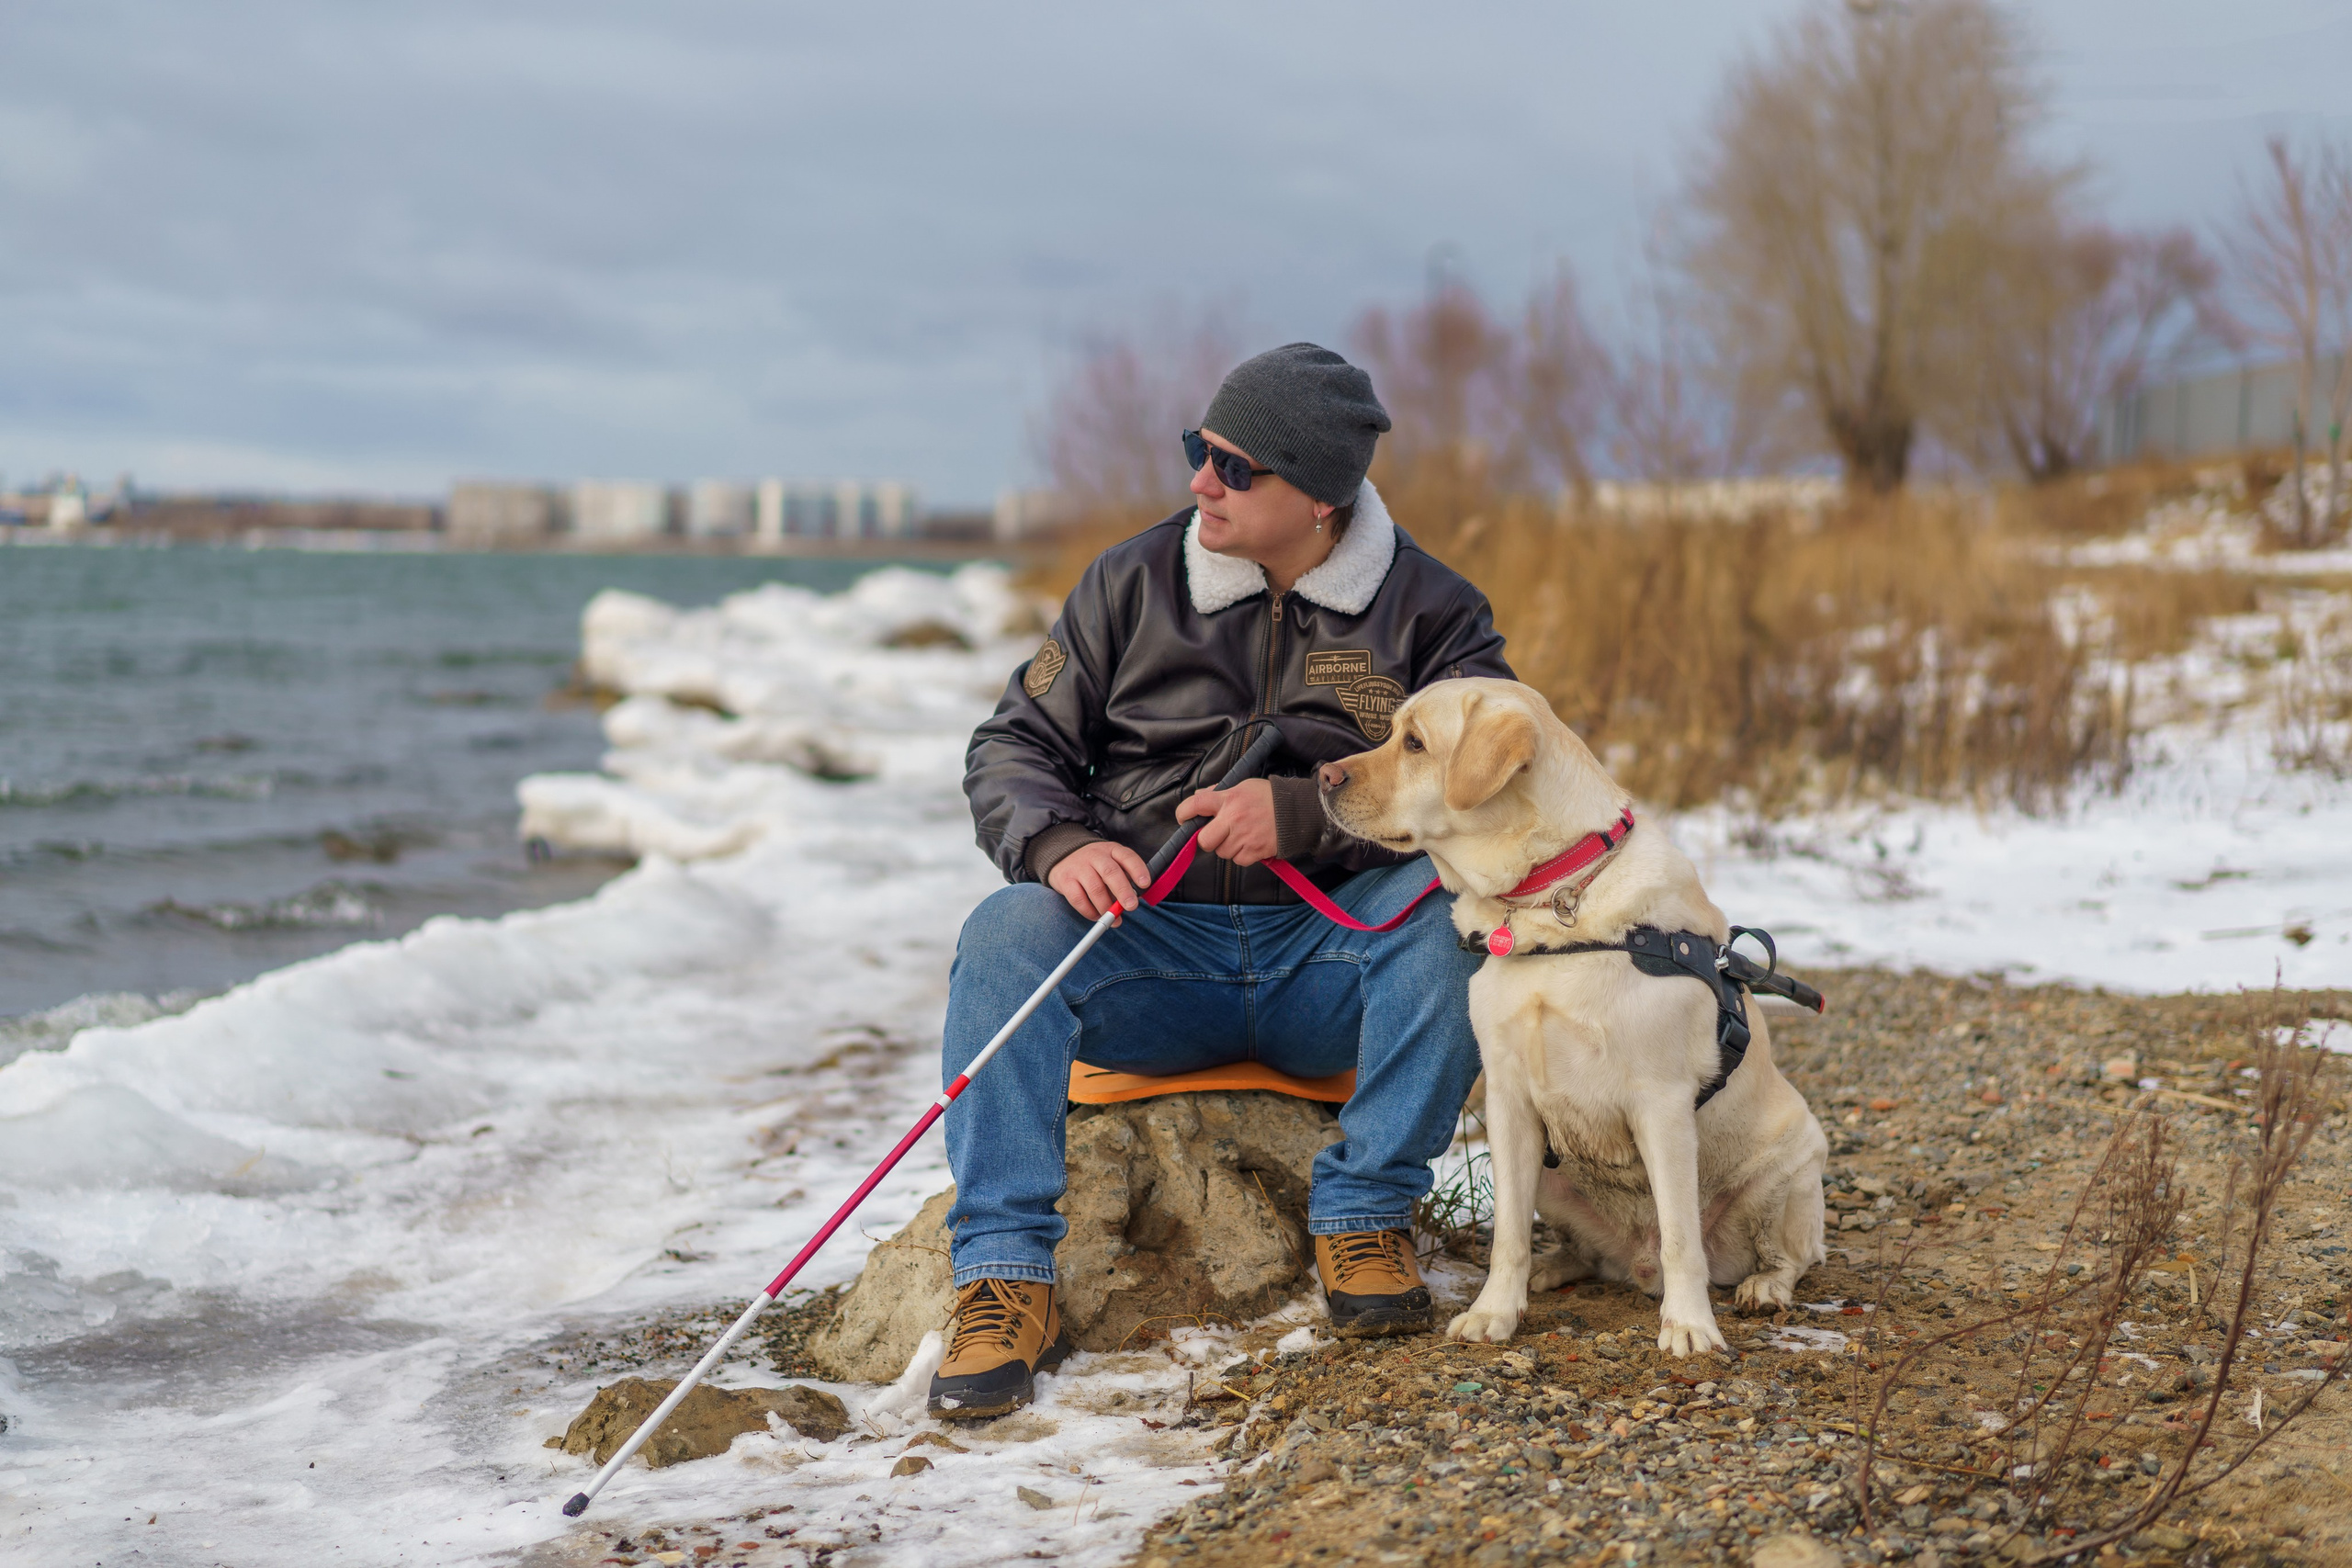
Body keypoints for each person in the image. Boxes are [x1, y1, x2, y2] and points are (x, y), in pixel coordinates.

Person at [932, 343, 1514, 1419]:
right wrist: (1059, 846)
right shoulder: (1129, 583)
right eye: (1199, 451)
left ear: (1322, 497)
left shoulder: (1434, 613)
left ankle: (1366, 1217)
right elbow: (1010, 750)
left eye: (1235, 467)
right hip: (1148, 960)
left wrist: (1303, 813)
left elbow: (1485, 798)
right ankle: (1005, 1275)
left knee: (1459, 920)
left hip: (1331, 963)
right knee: (1005, 927)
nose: (1200, 480)